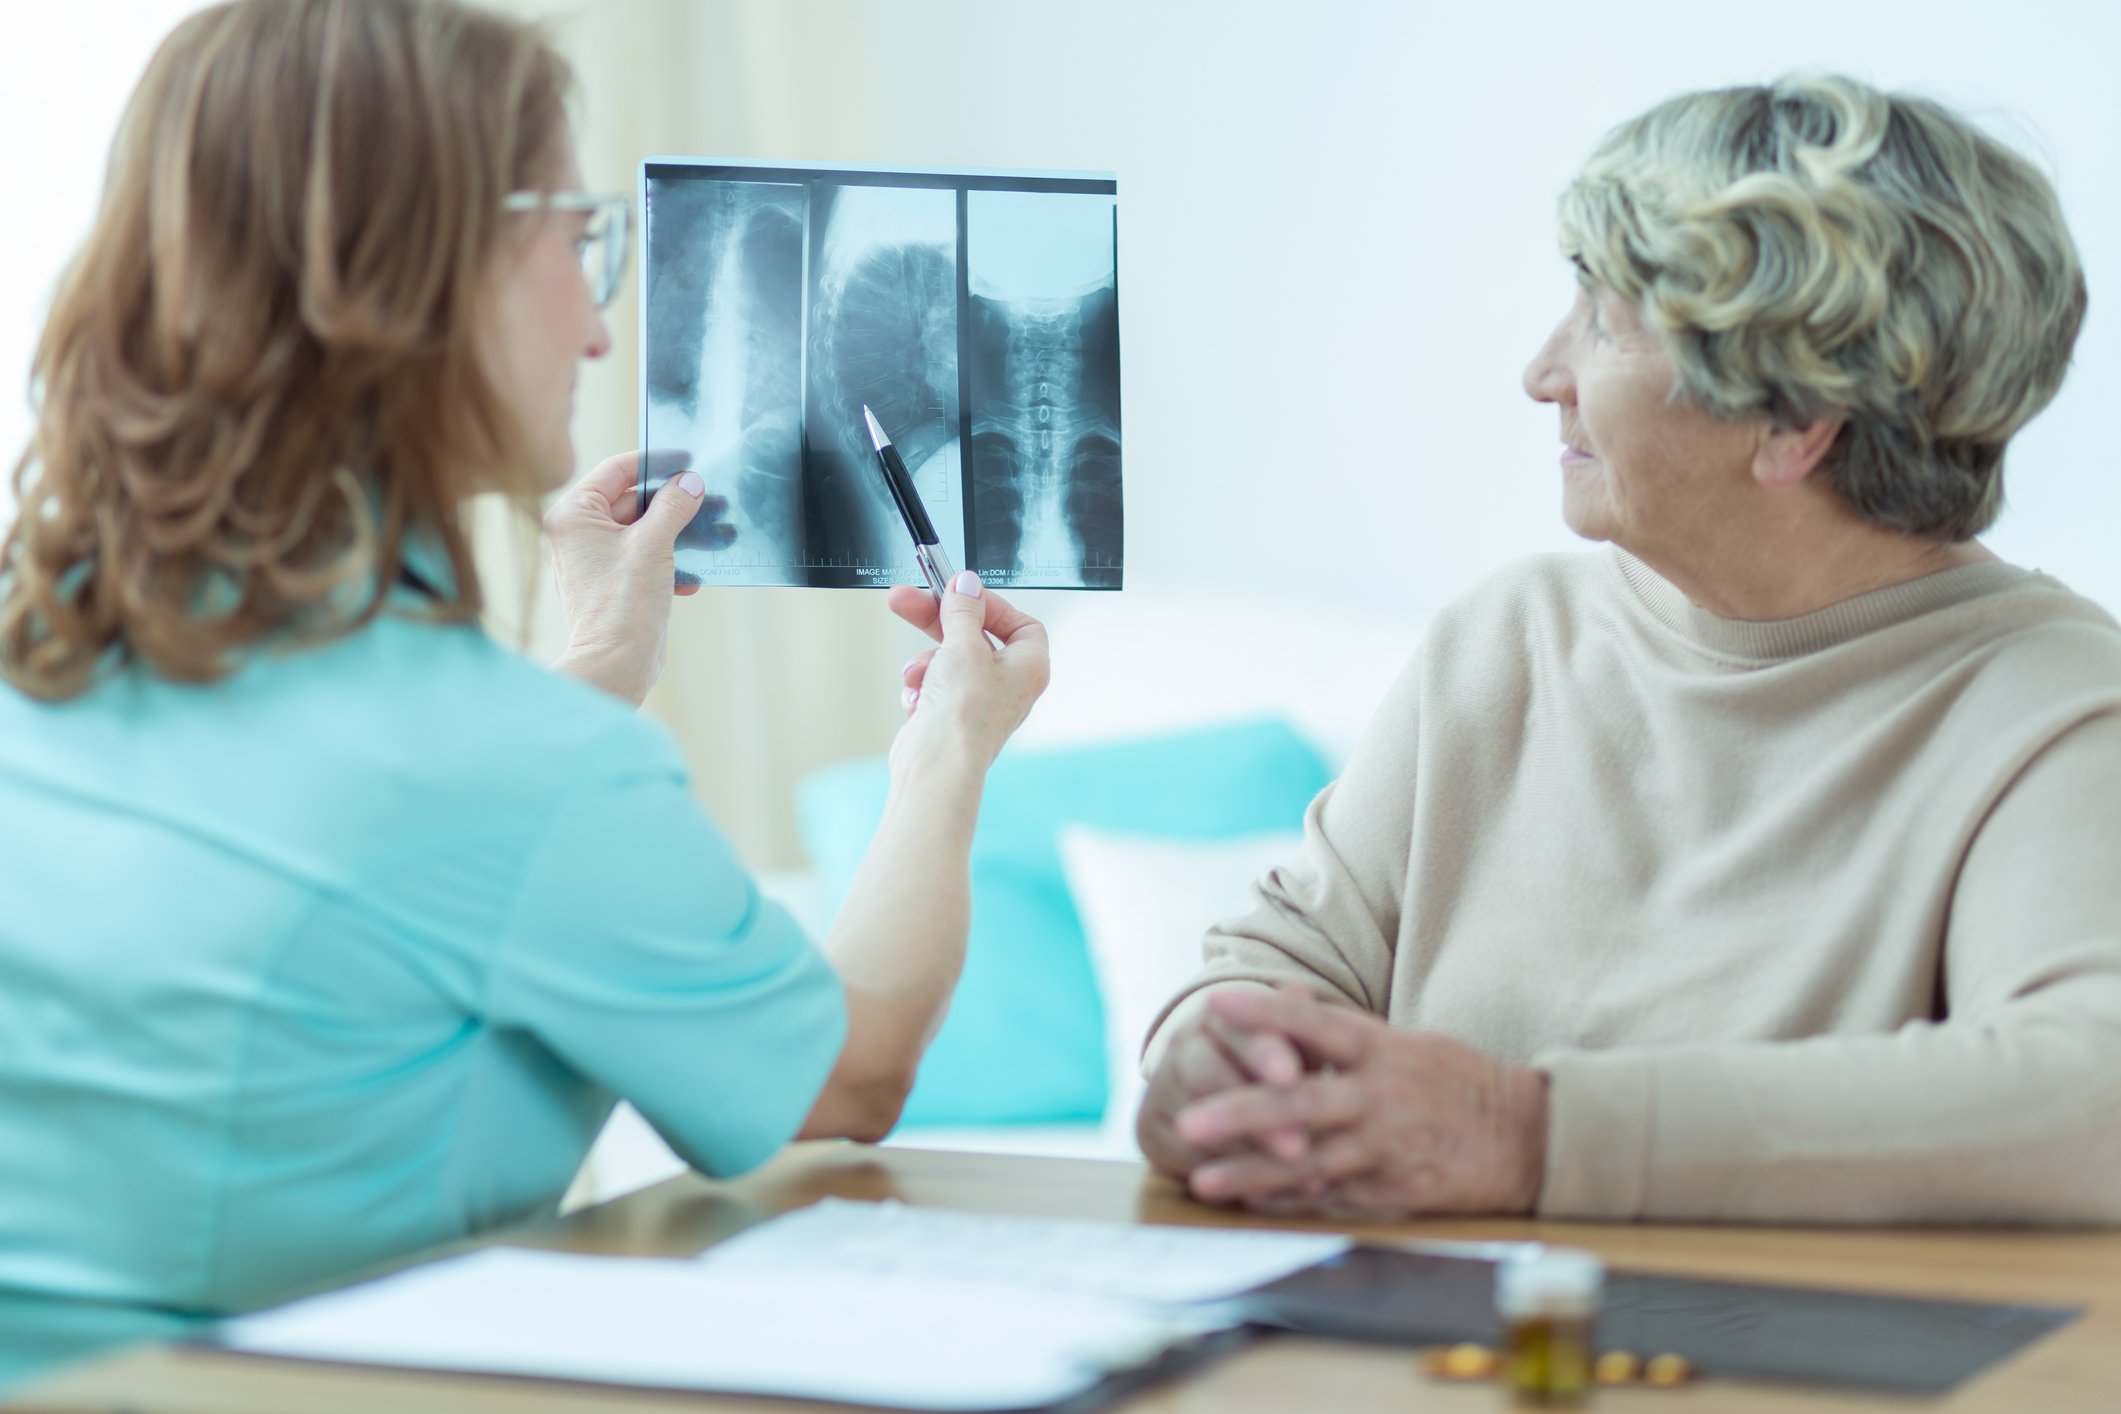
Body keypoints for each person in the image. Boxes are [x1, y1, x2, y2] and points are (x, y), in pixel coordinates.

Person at [0, 0, 1046, 1346]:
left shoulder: (51, 644)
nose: (602, 336)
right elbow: (855, 1067)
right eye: (578, 238)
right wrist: (952, 741)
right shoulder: (503, 765)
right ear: (424, 277)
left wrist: (600, 663)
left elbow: (377, 849)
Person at [1137, 73, 2121, 1225]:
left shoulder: (2054, 708)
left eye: (1603, 320)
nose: (1543, 372)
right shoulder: (1503, 641)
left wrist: (1528, 1133)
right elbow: (1276, 958)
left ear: (1793, 423)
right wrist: (1214, 1062)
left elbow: (2091, 1096)